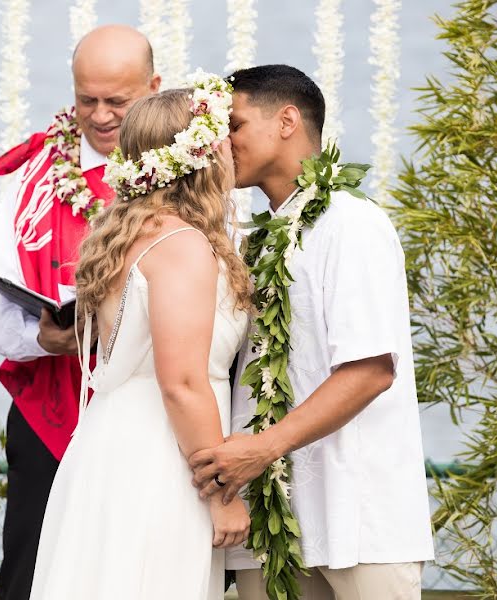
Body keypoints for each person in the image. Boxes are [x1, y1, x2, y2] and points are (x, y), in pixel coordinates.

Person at [190, 65, 435, 600]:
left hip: (360, 515)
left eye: (233, 125)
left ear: (286, 120)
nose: (220, 144)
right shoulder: (257, 238)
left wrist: (262, 449)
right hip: (272, 522)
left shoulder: (352, 223)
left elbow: (371, 370)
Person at [29, 80, 252, 600]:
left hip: (112, 442)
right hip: (160, 458)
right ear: (201, 154)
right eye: (222, 137)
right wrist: (219, 493)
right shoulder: (182, 245)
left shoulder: (128, 233)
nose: (232, 149)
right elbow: (182, 382)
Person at [0, 25, 160, 600]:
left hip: (148, 408)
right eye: (86, 100)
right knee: (31, 569)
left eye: (117, 102)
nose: (99, 117)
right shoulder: (33, 175)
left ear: (153, 88)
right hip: (46, 407)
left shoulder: (188, 173)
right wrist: (42, 338)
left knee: (132, 566)